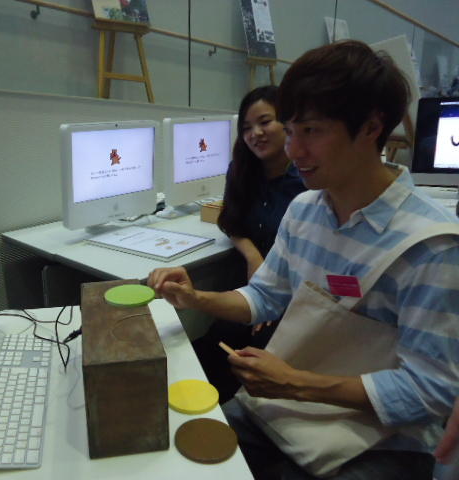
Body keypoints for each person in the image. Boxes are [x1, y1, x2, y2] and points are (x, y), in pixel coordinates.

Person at [148, 40, 459, 479]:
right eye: (291, 131)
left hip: (383, 438)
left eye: (311, 131)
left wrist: (296, 383)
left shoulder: (434, 245)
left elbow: (432, 390)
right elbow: (264, 297)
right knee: (182, 460)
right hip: (286, 407)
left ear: (371, 128)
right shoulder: (306, 210)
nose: (294, 151)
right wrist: (196, 298)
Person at [193, 85, 305, 404]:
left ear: (288, 123)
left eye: (265, 122)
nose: (255, 133)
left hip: (292, 290)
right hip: (250, 281)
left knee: (249, 351)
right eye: (246, 128)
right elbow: (230, 220)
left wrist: (273, 294)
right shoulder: (242, 169)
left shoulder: (306, 180)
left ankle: (229, 414)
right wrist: (253, 257)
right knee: (216, 344)